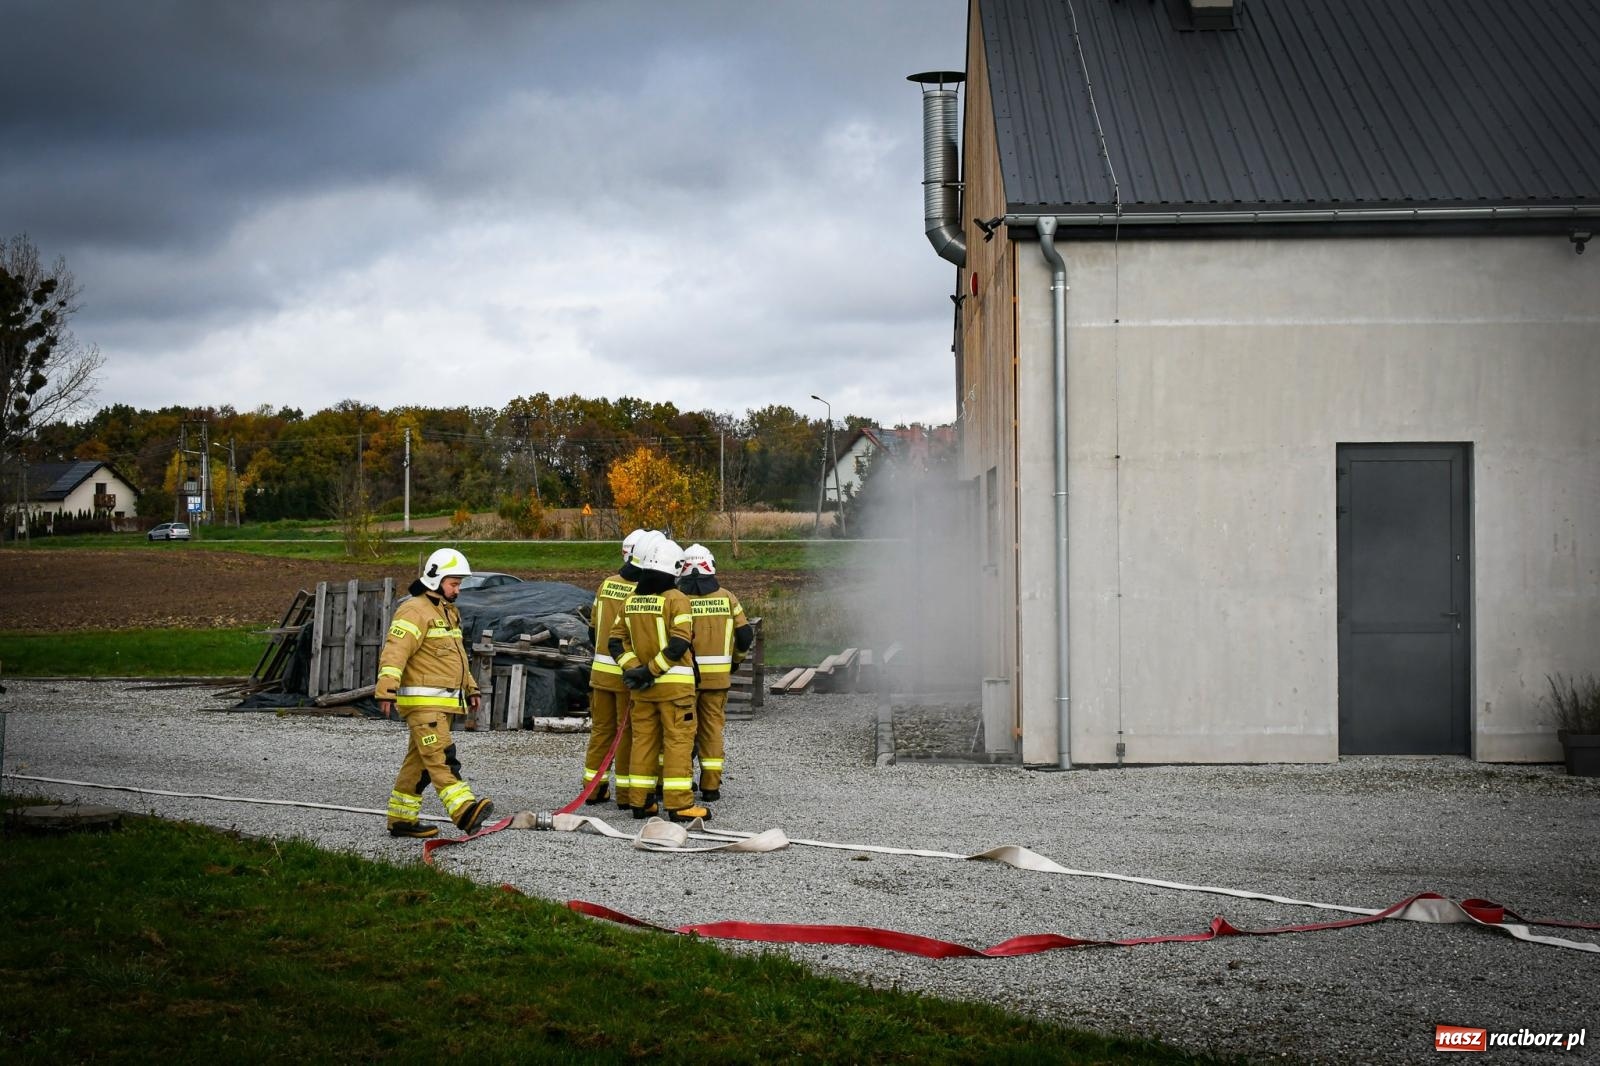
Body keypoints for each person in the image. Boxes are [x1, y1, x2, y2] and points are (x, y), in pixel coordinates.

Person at [375, 547, 494, 839]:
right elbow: (395, 651)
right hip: (423, 705)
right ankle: (464, 811)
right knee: (441, 756)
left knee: (420, 764)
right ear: (434, 579)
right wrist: (386, 690)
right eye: (454, 583)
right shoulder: (414, 610)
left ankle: (401, 819)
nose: (458, 589)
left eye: (459, 584)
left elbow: (456, 658)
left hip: (440, 703)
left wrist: (471, 687)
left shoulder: (446, 612)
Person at [610, 535, 712, 822]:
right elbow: (679, 643)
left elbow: (615, 642)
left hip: (642, 692)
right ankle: (680, 805)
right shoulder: (677, 600)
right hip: (675, 690)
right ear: (675, 568)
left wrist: (634, 671)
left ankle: (640, 802)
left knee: (643, 742)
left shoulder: (631, 601)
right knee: (678, 743)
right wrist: (650, 670)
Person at [580, 528, 659, 807]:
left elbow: (592, 629)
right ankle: (626, 794)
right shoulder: (643, 591)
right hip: (627, 675)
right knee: (627, 734)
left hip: (600, 673)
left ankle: (594, 789)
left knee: (601, 731)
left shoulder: (607, 584)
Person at [676, 543, 753, 801]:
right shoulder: (727, 597)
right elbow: (745, 634)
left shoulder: (677, 599)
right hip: (717, 680)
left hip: (684, 679)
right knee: (711, 731)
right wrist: (736, 661)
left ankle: (680, 783)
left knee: (682, 731)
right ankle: (710, 787)